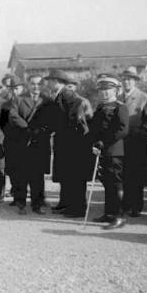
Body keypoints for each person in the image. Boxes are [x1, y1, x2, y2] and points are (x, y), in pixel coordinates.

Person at [45, 69, 92, 218]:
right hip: (65, 141)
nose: (48, 83)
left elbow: (75, 116)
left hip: (73, 143)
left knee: (74, 177)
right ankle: (65, 203)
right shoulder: (60, 95)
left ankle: (77, 208)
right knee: (66, 175)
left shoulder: (68, 95)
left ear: (57, 82)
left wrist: (63, 130)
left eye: (50, 81)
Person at [88, 75, 129, 230]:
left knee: (116, 183)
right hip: (102, 151)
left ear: (115, 90)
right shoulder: (100, 107)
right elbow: (95, 128)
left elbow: (122, 130)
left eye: (108, 90)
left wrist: (103, 143)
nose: (104, 93)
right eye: (102, 90)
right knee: (107, 183)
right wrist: (94, 142)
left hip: (114, 151)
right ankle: (109, 213)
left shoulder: (120, 107)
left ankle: (120, 217)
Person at [9, 74, 53, 214]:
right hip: (22, 142)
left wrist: (41, 130)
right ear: (28, 85)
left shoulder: (47, 101)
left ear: (43, 86)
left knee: (38, 176)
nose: (36, 87)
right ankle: (21, 204)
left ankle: (37, 204)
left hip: (40, 143)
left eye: (39, 84)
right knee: (21, 175)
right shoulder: (19, 99)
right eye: (33, 84)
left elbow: (52, 119)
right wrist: (27, 127)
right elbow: (13, 115)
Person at [119, 67, 147, 217]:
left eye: (129, 79)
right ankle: (125, 204)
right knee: (123, 175)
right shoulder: (118, 97)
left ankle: (136, 206)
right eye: (124, 79)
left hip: (137, 143)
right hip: (121, 142)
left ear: (135, 81)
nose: (126, 82)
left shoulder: (144, 98)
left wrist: (142, 133)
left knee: (136, 175)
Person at [0, 75, 25, 205]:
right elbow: (2, 123)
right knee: (12, 170)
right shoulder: (6, 104)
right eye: (12, 89)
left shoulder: (27, 101)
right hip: (11, 141)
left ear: (21, 89)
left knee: (24, 170)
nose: (15, 91)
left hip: (25, 141)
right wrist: (10, 135)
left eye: (17, 88)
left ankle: (23, 197)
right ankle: (16, 196)